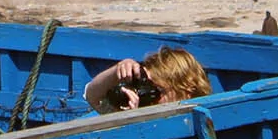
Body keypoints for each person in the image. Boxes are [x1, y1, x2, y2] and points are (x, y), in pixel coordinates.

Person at [83, 47, 212, 113]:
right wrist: (116, 72)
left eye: (158, 90)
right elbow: (91, 95)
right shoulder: (142, 107)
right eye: (148, 87)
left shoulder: (204, 118)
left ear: (187, 89)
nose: (151, 96)